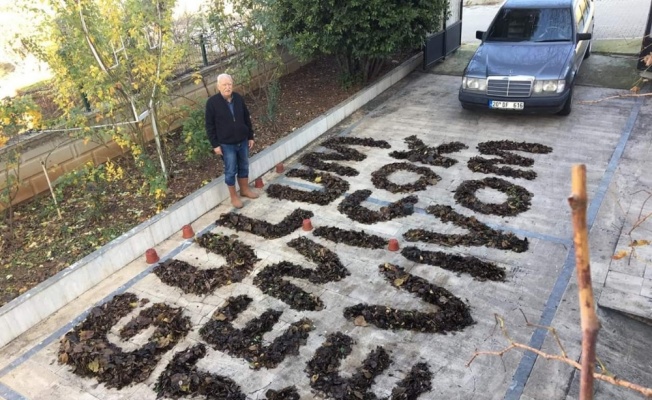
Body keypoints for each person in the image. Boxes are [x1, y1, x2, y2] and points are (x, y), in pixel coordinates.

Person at [205, 73, 259, 208]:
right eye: (224, 85)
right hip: (226, 144)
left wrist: (250, 136)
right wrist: (215, 145)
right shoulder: (212, 103)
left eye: (229, 84)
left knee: (244, 166)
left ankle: (245, 190)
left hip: (242, 141)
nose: (227, 87)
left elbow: (247, 118)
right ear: (218, 86)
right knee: (230, 170)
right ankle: (234, 196)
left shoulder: (238, 99)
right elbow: (209, 125)